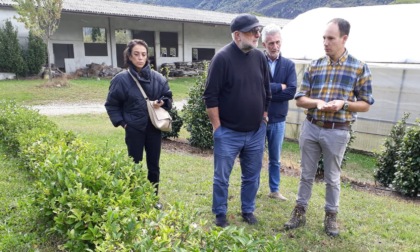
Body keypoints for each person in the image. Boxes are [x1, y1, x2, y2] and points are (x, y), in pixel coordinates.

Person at [284, 18, 374, 236]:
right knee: (306, 173)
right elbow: (300, 99)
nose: (325, 42)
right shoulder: (315, 65)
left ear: (344, 38)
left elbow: (365, 104)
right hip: (312, 126)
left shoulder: (359, 68)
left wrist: (343, 104)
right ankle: (299, 212)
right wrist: (318, 103)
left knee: (332, 177)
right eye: (324, 38)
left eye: (330, 38)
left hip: (338, 130)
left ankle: (331, 217)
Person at [203, 13, 271, 227]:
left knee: (252, 176)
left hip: (255, 132)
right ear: (237, 35)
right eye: (253, 31)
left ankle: (247, 210)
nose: (257, 35)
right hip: (228, 132)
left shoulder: (259, 57)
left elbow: (266, 89)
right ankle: (220, 213)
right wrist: (217, 127)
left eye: (258, 31)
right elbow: (210, 96)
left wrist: (264, 115)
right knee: (222, 177)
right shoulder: (222, 58)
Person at [105, 39, 173, 209]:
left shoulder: (158, 78)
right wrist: (123, 123)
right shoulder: (121, 80)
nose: (140, 58)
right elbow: (112, 104)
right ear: (129, 56)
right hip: (134, 129)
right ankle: (132, 198)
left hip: (154, 129)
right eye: (136, 54)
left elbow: (168, 97)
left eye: (143, 54)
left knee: (153, 166)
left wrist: (162, 102)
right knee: (133, 165)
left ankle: (152, 199)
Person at [261, 23, 297, 201]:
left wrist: (266, 91)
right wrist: (278, 87)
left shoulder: (288, 65)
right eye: (271, 43)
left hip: (278, 120)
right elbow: (254, 88)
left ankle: (274, 190)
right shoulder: (256, 62)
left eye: (277, 42)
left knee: (275, 159)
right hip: (258, 119)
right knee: (254, 157)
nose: (275, 46)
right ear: (264, 45)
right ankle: (252, 187)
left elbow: (291, 92)